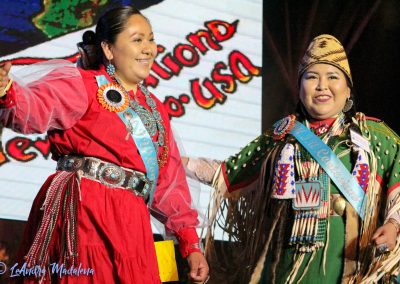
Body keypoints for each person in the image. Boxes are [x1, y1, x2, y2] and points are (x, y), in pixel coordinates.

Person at [0, 5, 209, 283]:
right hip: (85, 209)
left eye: (151, 39)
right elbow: (36, 110)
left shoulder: (156, 109)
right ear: (109, 49)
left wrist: (190, 243)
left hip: (131, 222)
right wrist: (7, 91)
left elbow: (169, 181)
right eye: (137, 40)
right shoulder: (82, 84)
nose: (148, 49)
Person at [184, 34, 400, 283]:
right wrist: (176, 163)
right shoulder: (281, 136)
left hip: (348, 263)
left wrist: (393, 224)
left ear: (348, 88)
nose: (321, 85)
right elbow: (228, 173)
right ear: (299, 88)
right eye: (311, 77)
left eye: (332, 77)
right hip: (286, 266)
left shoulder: (372, 136)